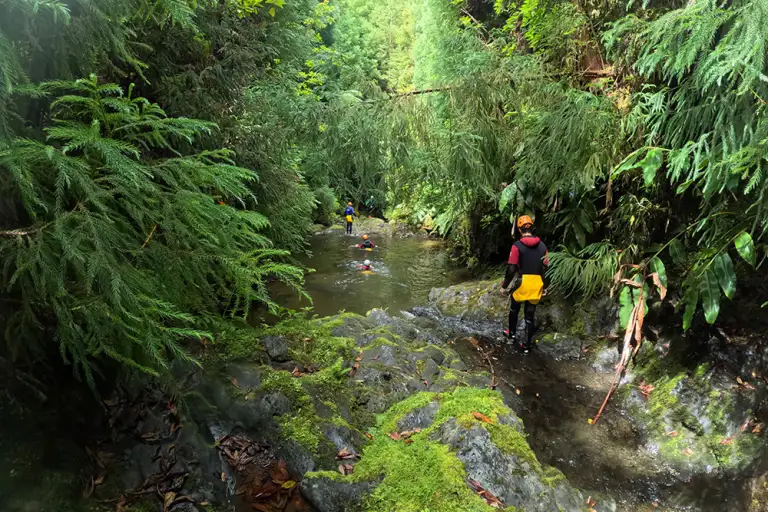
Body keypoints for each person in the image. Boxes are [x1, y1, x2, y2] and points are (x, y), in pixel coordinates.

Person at [500, 215, 549, 354]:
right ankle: (527, 345)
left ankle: (512, 334)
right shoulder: (543, 246)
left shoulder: (517, 246)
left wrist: (504, 286)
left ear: (520, 230)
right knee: (529, 315)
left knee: (514, 308)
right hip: (536, 283)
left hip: (523, 282)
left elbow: (511, 269)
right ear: (532, 228)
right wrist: (544, 286)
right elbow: (545, 267)